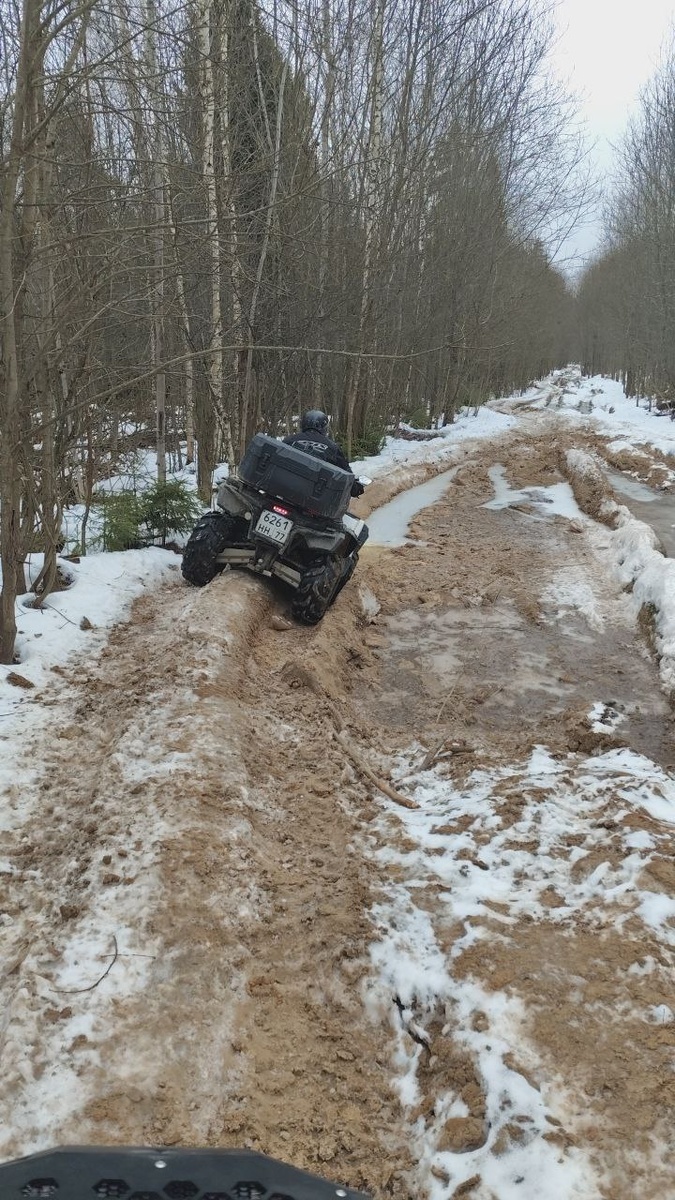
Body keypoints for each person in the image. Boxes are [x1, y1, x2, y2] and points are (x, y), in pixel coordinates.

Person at [283, 410, 364, 496]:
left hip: (282, 487)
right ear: (324, 426)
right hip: (314, 495)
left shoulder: (289, 440)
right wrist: (354, 488)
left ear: (303, 424)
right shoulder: (332, 447)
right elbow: (345, 470)